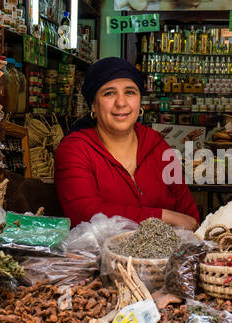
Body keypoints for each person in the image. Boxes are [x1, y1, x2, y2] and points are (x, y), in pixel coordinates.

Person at [55, 57, 201, 229]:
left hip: (166, 247)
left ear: (140, 101)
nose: (121, 103)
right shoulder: (75, 150)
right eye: (109, 93)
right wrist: (163, 216)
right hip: (100, 247)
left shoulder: (158, 146)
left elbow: (189, 216)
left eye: (130, 92)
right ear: (93, 105)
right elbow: (85, 214)